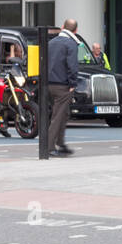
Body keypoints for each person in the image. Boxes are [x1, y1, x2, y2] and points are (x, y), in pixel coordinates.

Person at [47, 21, 80, 155]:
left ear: (62, 27)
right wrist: (73, 84)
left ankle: (61, 143)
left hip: (49, 84)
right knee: (58, 116)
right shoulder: (71, 44)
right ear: (75, 31)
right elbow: (72, 66)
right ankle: (49, 147)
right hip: (62, 85)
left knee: (63, 114)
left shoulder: (51, 42)